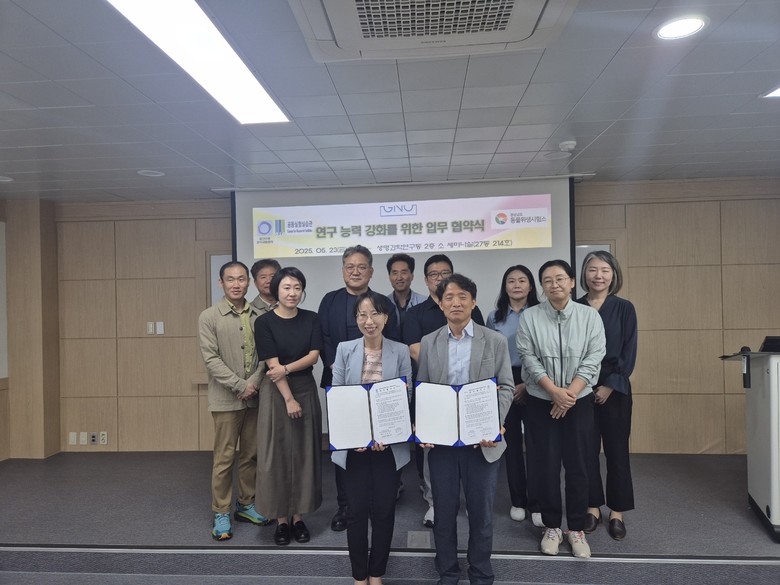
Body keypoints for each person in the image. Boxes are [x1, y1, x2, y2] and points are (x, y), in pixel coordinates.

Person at [417, 273, 514, 585]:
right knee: (444, 513)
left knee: (481, 514)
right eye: (449, 297)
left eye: (462, 297)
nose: (455, 302)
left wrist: (495, 423)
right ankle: (447, 572)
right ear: (441, 304)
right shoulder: (430, 342)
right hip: (442, 444)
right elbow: (423, 389)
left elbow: (506, 387)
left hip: (482, 443)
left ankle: (481, 572)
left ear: (473, 302)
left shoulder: (495, 340)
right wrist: (423, 425)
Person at [516, 259, 606, 559]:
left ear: (571, 282)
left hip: (579, 402)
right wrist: (554, 392)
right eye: (547, 280)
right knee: (546, 465)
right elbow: (528, 357)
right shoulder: (530, 317)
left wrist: (569, 395)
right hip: (541, 401)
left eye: (560, 278)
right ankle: (552, 526)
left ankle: (576, 528)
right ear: (541, 286)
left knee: (579, 465)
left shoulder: (589, 316)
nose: (554, 284)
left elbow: (594, 357)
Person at [331, 291, 413, 585]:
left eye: (375, 313)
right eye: (362, 315)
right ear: (356, 319)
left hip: (388, 446)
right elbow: (338, 397)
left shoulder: (400, 351)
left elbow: (405, 396)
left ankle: (376, 573)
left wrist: (386, 434)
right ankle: (359, 575)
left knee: (384, 511)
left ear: (386, 317)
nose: (369, 321)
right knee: (355, 512)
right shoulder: (344, 349)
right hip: (354, 446)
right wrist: (354, 436)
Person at [318, 245, 400, 532]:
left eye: (361, 266)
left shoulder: (382, 303)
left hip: (381, 389)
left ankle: (378, 503)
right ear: (343, 270)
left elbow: (394, 341)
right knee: (346, 447)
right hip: (340, 385)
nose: (355, 271)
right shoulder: (329, 300)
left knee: (380, 447)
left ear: (371, 271)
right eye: (350, 266)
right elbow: (323, 337)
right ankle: (346, 505)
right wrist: (335, 366)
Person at [403, 254, 484, 528]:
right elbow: (416, 350)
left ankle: (471, 501)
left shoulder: (471, 309)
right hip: (434, 392)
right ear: (426, 280)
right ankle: (434, 502)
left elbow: (480, 347)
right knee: (433, 452)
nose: (439, 278)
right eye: (434, 274)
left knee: (471, 451)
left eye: (445, 273)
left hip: (470, 392)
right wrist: (447, 375)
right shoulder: (415, 314)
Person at [198, 261, 272, 541]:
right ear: (221, 283)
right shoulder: (209, 317)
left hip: (254, 398)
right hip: (225, 399)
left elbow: (265, 356)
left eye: (241, 279)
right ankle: (221, 511)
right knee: (224, 458)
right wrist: (241, 385)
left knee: (251, 454)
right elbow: (211, 359)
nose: (236, 284)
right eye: (230, 279)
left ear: (248, 283)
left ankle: (246, 504)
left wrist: (253, 383)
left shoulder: (259, 316)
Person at [254, 267, 323, 546]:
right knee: (277, 454)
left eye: (297, 287)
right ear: (276, 290)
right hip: (276, 393)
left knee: (304, 454)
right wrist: (289, 398)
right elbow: (272, 367)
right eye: (286, 287)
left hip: (305, 388)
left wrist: (286, 368)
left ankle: (298, 517)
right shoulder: (264, 322)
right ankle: (281, 520)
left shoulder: (312, 318)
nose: (292, 293)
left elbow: (314, 356)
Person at [576, 251, 637, 541]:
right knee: (586, 451)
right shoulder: (574, 307)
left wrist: (609, 385)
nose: (598, 275)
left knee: (616, 451)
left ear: (613, 275)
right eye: (592, 269)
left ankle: (617, 512)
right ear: (584, 274)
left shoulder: (624, 308)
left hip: (616, 388)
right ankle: (592, 507)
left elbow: (629, 350)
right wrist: (582, 386)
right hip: (580, 389)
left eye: (604, 270)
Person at [485, 265, 542, 527]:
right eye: (511, 281)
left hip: (538, 380)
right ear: (505, 286)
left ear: (530, 286)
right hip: (504, 382)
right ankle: (518, 501)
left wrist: (527, 384)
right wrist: (506, 385)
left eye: (522, 280)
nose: (517, 285)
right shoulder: (494, 317)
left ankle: (538, 503)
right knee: (512, 447)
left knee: (537, 445)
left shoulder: (541, 313)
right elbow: (490, 356)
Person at [385, 253, 426, 334]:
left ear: (412, 276)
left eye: (403, 272)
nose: (399, 278)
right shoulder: (383, 303)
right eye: (395, 273)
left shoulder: (424, 302)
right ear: (389, 277)